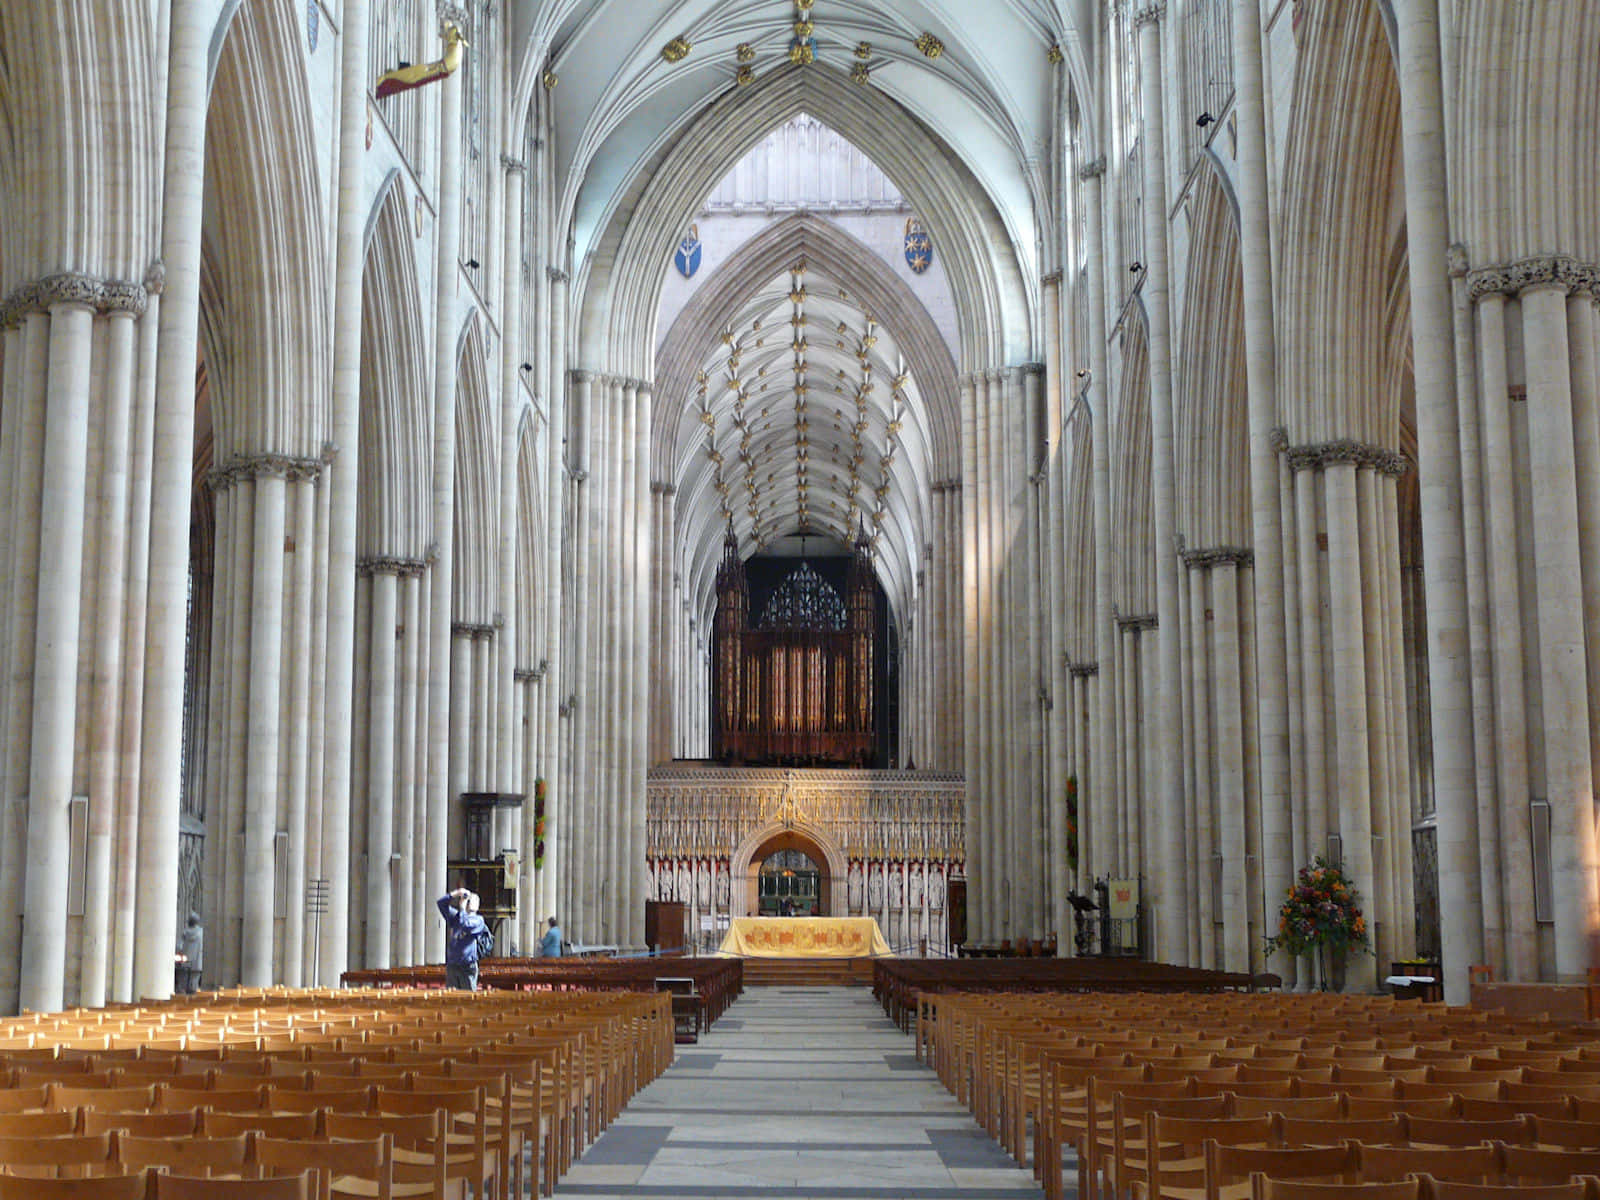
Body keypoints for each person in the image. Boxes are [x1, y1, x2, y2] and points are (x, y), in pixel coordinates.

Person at [437, 888, 489, 990]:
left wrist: (462, 908)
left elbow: (465, 924)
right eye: (468, 899)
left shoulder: (479, 920)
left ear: (477, 905)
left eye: (472, 900)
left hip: (467, 966)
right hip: (453, 964)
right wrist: (455, 893)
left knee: (468, 998)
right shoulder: (457, 916)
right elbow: (441, 904)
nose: (469, 901)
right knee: (451, 998)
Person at [176, 912, 203, 994]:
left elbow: (179, 946)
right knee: (194, 983)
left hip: (185, 960)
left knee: (183, 982)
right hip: (197, 961)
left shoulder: (185, 932)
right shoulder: (201, 932)